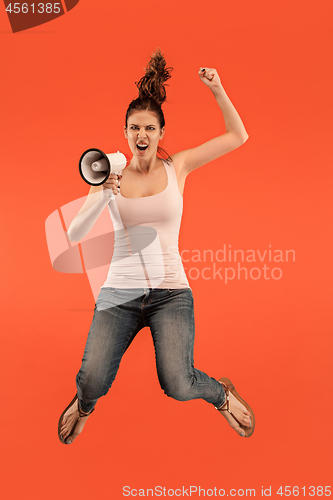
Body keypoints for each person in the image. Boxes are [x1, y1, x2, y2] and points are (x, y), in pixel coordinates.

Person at [58, 49, 255, 445]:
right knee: (92, 380)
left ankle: (221, 394)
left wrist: (217, 89)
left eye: (149, 128)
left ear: (161, 133)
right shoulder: (109, 175)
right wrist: (98, 195)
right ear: (125, 132)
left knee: (179, 384)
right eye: (134, 128)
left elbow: (238, 136)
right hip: (119, 293)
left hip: (171, 292)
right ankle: (83, 404)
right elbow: (73, 236)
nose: (142, 135)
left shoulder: (177, 167)